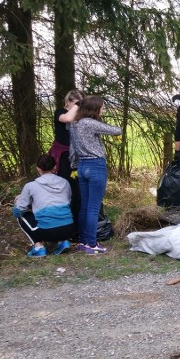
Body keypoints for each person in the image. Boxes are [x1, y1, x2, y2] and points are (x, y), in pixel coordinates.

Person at [70, 95, 122, 254]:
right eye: (102, 107)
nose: (103, 109)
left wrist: (74, 165)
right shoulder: (90, 123)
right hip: (95, 165)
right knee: (94, 207)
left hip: (82, 165)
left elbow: (73, 148)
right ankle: (92, 244)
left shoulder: (75, 124)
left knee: (85, 207)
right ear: (94, 109)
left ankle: (83, 241)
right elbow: (116, 130)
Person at [12, 154, 75, 257]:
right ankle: (62, 242)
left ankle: (38, 247)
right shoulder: (65, 182)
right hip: (69, 229)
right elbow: (68, 202)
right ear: (55, 167)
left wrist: (18, 201)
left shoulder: (30, 186)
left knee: (21, 216)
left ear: (38, 169)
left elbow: (17, 212)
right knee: (61, 211)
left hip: (47, 232)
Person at [48, 89, 83, 180]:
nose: (79, 106)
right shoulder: (59, 112)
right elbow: (67, 119)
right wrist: (77, 105)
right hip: (63, 153)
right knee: (64, 179)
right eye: (76, 103)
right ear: (68, 102)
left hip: (77, 153)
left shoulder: (81, 115)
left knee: (77, 182)